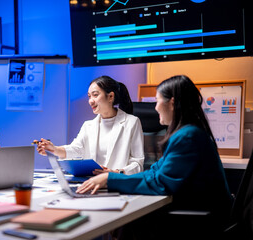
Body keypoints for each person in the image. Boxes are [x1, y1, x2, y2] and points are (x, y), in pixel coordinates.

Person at [76, 75, 233, 239]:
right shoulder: (188, 133)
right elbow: (154, 172)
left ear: (171, 103)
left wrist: (110, 180)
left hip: (201, 221)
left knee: (129, 221)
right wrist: (114, 176)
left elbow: (161, 183)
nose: (156, 108)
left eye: (157, 101)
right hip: (198, 212)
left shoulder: (188, 137)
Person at [35, 75, 144, 175]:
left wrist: (114, 173)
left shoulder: (132, 122)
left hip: (117, 183)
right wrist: (54, 149)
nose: (90, 101)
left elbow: (137, 164)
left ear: (110, 96)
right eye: (89, 96)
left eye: (95, 95)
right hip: (91, 183)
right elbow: (76, 150)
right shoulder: (88, 126)